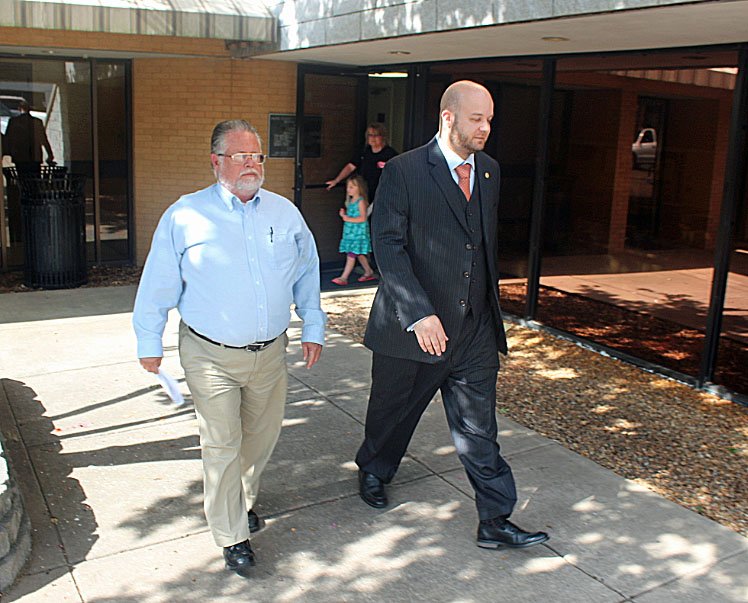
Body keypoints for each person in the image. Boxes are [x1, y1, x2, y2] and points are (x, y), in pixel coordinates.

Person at [356, 81, 549, 550]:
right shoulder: (403, 171)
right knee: (392, 415)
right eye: (476, 119)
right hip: (414, 330)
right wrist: (419, 314)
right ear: (448, 117)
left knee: (479, 429)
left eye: (489, 119)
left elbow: (477, 245)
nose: (485, 128)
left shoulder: (490, 172)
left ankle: (495, 519)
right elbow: (389, 246)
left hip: (474, 330)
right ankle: (374, 468)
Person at [132, 119, 326, 578]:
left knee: (259, 440)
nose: (252, 165)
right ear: (216, 161)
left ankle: (241, 502)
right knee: (221, 444)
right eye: (241, 156)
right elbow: (158, 282)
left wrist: (312, 324)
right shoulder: (185, 215)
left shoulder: (283, 213)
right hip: (209, 354)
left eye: (257, 156)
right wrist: (149, 340)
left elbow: (307, 271)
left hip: (269, 354)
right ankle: (232, 534)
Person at [325, 123, 397, 204]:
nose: (373, 138)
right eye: (370, 135)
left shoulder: (390, 154)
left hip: (381, 193)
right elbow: (351, 166)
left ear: (383, 137)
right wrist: (336, 180)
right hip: (363, 192)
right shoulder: (363, 151)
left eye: (376, 135)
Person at [332, 174, 376, 285]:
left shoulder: (360, 201)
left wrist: (347, 218)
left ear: (359, 188)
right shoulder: (350, 202)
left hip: (358, 233)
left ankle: (344, 277)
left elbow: (363, 218)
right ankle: (368, 271)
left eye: (352, 187)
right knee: (359, 254)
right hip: (350, 233)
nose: (348, 190)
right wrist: (344, 215)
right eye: (348, 187)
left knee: (351, 255)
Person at [2, 99, 54, 173]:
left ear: (19, 109)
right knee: (35, 179)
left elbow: (8, 139)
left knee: (22, 178)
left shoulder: (14, 121)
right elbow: (43, 139)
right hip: (35, 156)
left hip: (20, 155)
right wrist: (50, 154)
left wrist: (6, 152)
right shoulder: (37, 122)